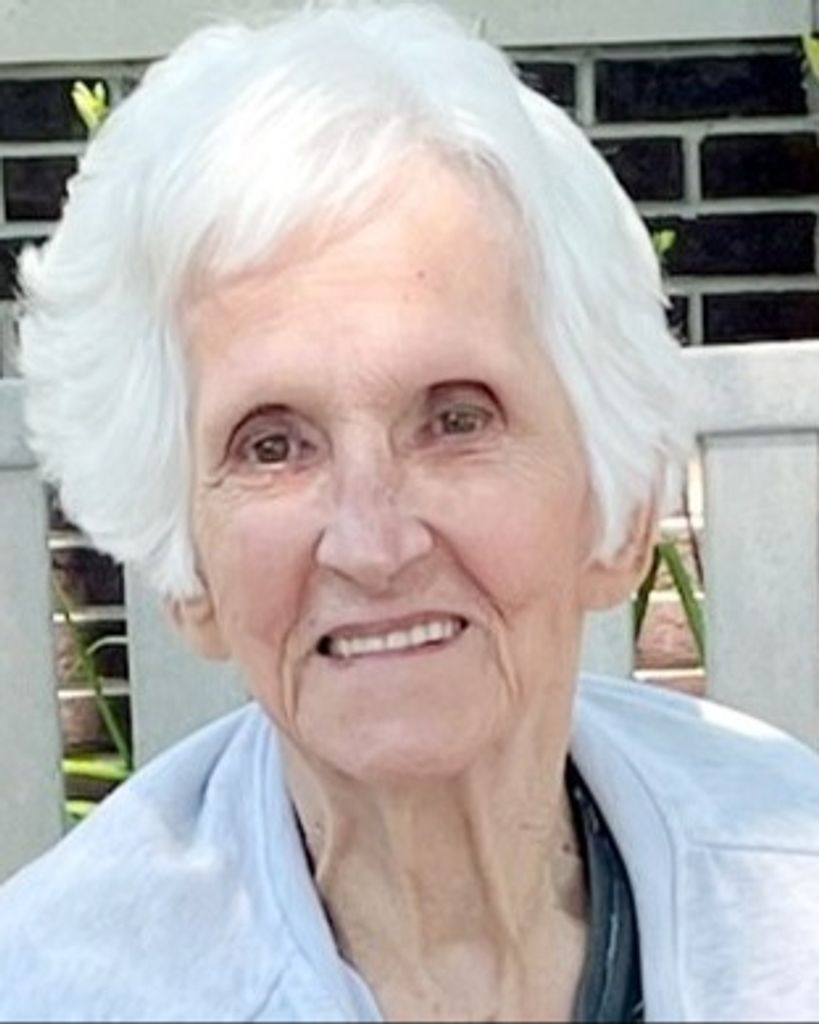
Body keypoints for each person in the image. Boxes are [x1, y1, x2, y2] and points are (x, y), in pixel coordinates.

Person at [1, 4, 818, 1021]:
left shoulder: (793, 885)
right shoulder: (50, 988)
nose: (372, 543)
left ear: (616, 511)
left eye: (457, 419)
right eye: (272, 444)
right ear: (191, 579)